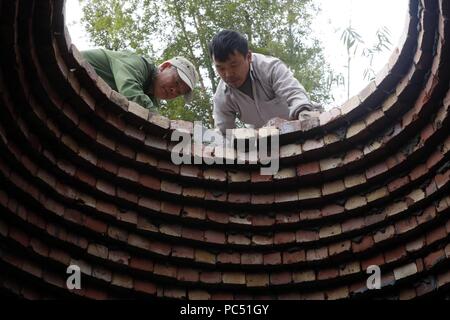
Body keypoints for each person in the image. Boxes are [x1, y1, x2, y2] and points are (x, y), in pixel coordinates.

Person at [209, 30, 323, 134]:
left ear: (248, 57)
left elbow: (295, 95)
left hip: (307, 126)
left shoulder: (270, 68)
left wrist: (306, 119)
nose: (228, 74)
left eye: (234, 65)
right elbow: (223, 133)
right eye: (221, 68)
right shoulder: (221, 98)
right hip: (270, 143)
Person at [81, 48, 198, 112]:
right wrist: (157, 120)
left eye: (178, 93)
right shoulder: (139, 64)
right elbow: (129, 89)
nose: (173, 91)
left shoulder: (151, 99)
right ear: (164, 67)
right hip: (70, 69)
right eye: (176, 82)